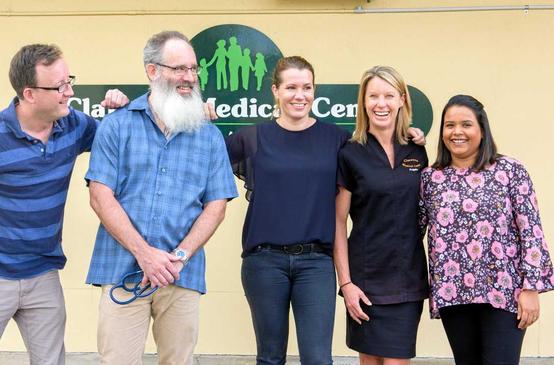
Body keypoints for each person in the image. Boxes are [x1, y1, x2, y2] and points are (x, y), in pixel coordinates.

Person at [0, 43, 128, 365]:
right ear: (29, 93)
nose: (70, 91)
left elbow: (119, 142)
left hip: (42, 273)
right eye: (60, 86)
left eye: (69, 80)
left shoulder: (74, 125)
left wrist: (120, 111)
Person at [227, 58, 426, 365]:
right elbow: (203, 158)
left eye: (306, 87)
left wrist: (410, 132)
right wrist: (201, 118)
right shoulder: (251, 137)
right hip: (263, 261)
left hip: (316, 262)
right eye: (291, 87)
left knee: (318, 359)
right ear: (275, 91)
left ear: (314, 91)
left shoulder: (338, 140)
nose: (299, 95)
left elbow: (376, 149)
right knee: (269, 357)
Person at [85, 30, 238, 365]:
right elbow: (100, 196)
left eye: (193, 69)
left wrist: (178, 257)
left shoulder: (209, 136)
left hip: (181, 274)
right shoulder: (117, 126)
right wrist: (145, 255)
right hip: (121, 271)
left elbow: (216, 206)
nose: (189, 78)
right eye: (179, 68)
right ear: (152, 71)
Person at [419, 94, 554, 365]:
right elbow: (410, 231)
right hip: (453, 294)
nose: (457, 132)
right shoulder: (431, 178)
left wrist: (530, 289)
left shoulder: (510, 170)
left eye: (466, 124)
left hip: (505, 293)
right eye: (449, 125)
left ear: (482, 130)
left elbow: (531, 231)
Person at [334, 65, 429, 365]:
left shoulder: (417, 151)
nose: (381, 103)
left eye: (389, 95)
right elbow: (338, 221)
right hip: (365, 281)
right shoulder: (350, 153)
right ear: (363, 102)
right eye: (373, 96)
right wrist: (346, 284)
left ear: (402, 99)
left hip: (406, 279)